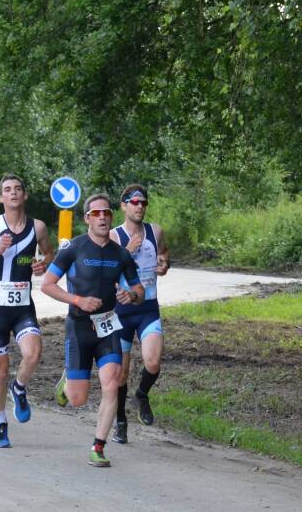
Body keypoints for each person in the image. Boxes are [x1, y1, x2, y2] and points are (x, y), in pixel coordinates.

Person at [41, 193, 144, 467]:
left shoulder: (120, 253)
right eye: (96, 213)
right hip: (79, 327)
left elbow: (139, 289)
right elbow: (47, 284)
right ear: (87, 218)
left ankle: (98, 446)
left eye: (106, 213)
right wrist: (78, 300)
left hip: (108, 326)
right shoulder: (73, 248)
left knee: (112, 382)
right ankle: (68, 381)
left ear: (112, 218)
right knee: (78, 399)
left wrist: (131, 296)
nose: (102, 217)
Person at [0, 174, 53, 448]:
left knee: (33, 353)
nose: (13, 193)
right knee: (0, 371)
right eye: (7, 190)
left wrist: (43, 265)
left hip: (23, 306)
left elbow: (50, 254)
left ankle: (20, 388)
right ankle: (0, 421)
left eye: (18, 189)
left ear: (25, 195)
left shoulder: (37, 227)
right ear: (0, 197)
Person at [110, 184, 170, 444]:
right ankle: (120, 421)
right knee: (120, 373)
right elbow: (106, 270)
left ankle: (142, 394)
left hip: (148, 309)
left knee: (153, 362)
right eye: (134, 202)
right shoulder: (114, 237)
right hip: (122, 312)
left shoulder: (155, 232)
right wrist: (127, 253)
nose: (139, 207)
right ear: (123, 206)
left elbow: (165, 253)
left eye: (143, 203)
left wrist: (165, 263)